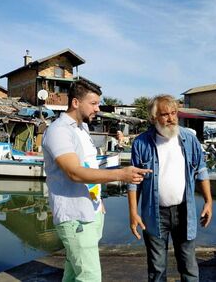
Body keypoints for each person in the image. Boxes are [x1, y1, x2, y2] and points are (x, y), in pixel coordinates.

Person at [42, 79, 151, 282]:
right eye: (93, 103)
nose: (98, 108)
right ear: (76, 102)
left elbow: (89, 166)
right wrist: (121, 174)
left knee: (74, 273)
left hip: (90, 210)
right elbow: (74, 172)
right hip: (74, 216)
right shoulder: (59, 131)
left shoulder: (81, 128)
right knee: (90, 276)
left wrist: (97, 199)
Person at [128, 94, 213, 282]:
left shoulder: (189, 139)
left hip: (185, 210)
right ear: (154, 118)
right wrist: (133, 213)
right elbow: (133, 182)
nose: (171, 118)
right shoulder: (141, 143)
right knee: (157, 269)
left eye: (174, 113)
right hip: (154, 212)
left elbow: (201, 170)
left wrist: (208, 201)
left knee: (189, 267)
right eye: (165, 114)